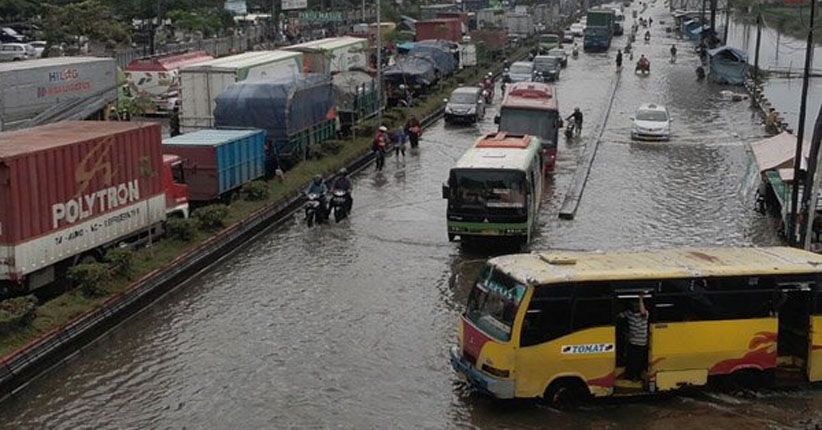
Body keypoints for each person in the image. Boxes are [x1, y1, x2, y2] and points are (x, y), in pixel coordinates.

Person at [618, 296, 649, 381]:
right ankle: (630, 376)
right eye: (634, 304)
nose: (636, 306)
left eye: (637, 304)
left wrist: (640, 298)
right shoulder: (629, 313)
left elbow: (642, 311)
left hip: (641, 343)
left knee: (638, 362)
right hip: (632, 342)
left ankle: (637, 377)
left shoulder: (645, 314)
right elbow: (619, 316)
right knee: (630, 360)